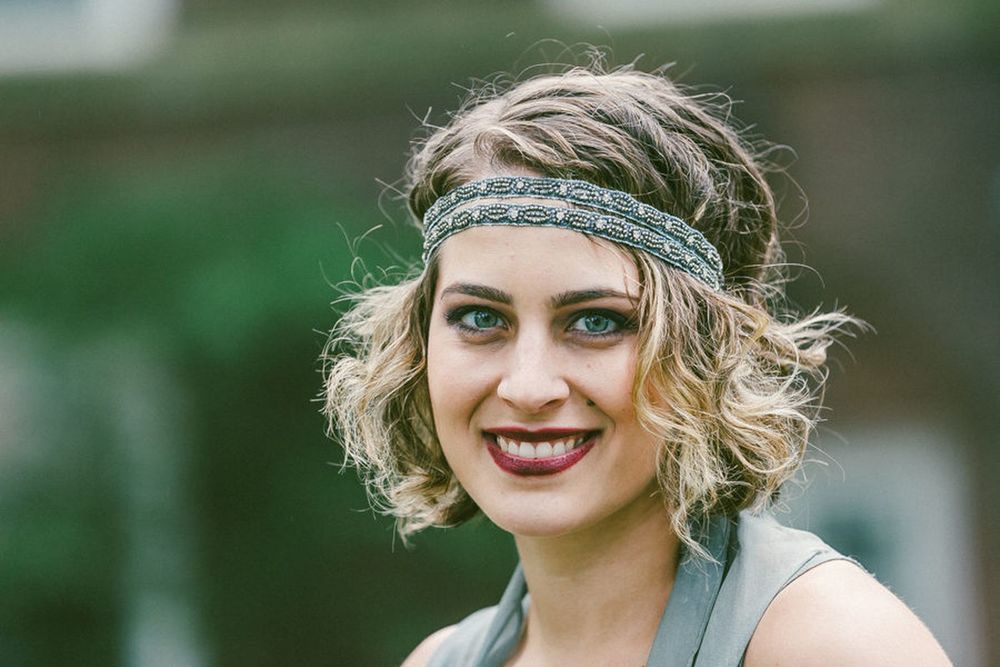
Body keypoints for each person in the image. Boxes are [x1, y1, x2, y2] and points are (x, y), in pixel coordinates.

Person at [323, 63, 952, 666]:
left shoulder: (832, 646)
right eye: (482, 318)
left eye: (597, 322)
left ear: (703, 351)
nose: (528, 386)